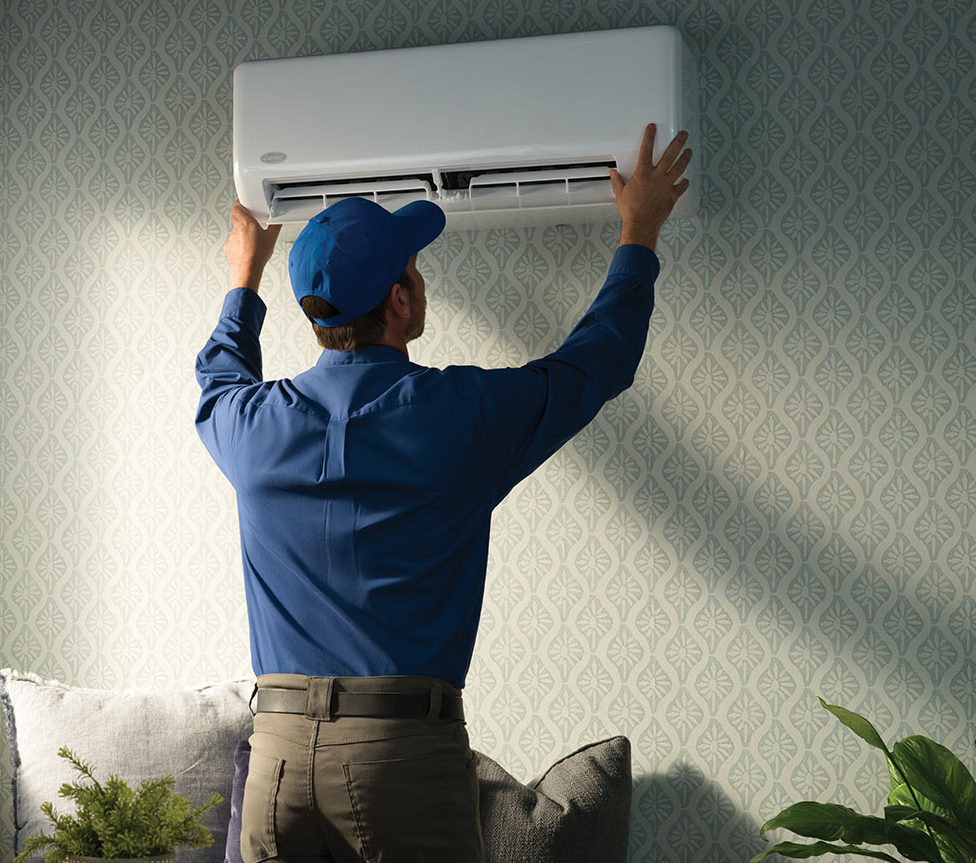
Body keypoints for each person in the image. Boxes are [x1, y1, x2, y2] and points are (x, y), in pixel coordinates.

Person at [195, 123, 691, 862]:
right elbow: (595, 364)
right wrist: (638, 231)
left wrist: (243, 279)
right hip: (396, 761)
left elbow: (218, 373)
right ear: (399, 299)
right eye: (415, 270)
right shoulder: (458, 418)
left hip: (275, 759)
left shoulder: (248, 426)